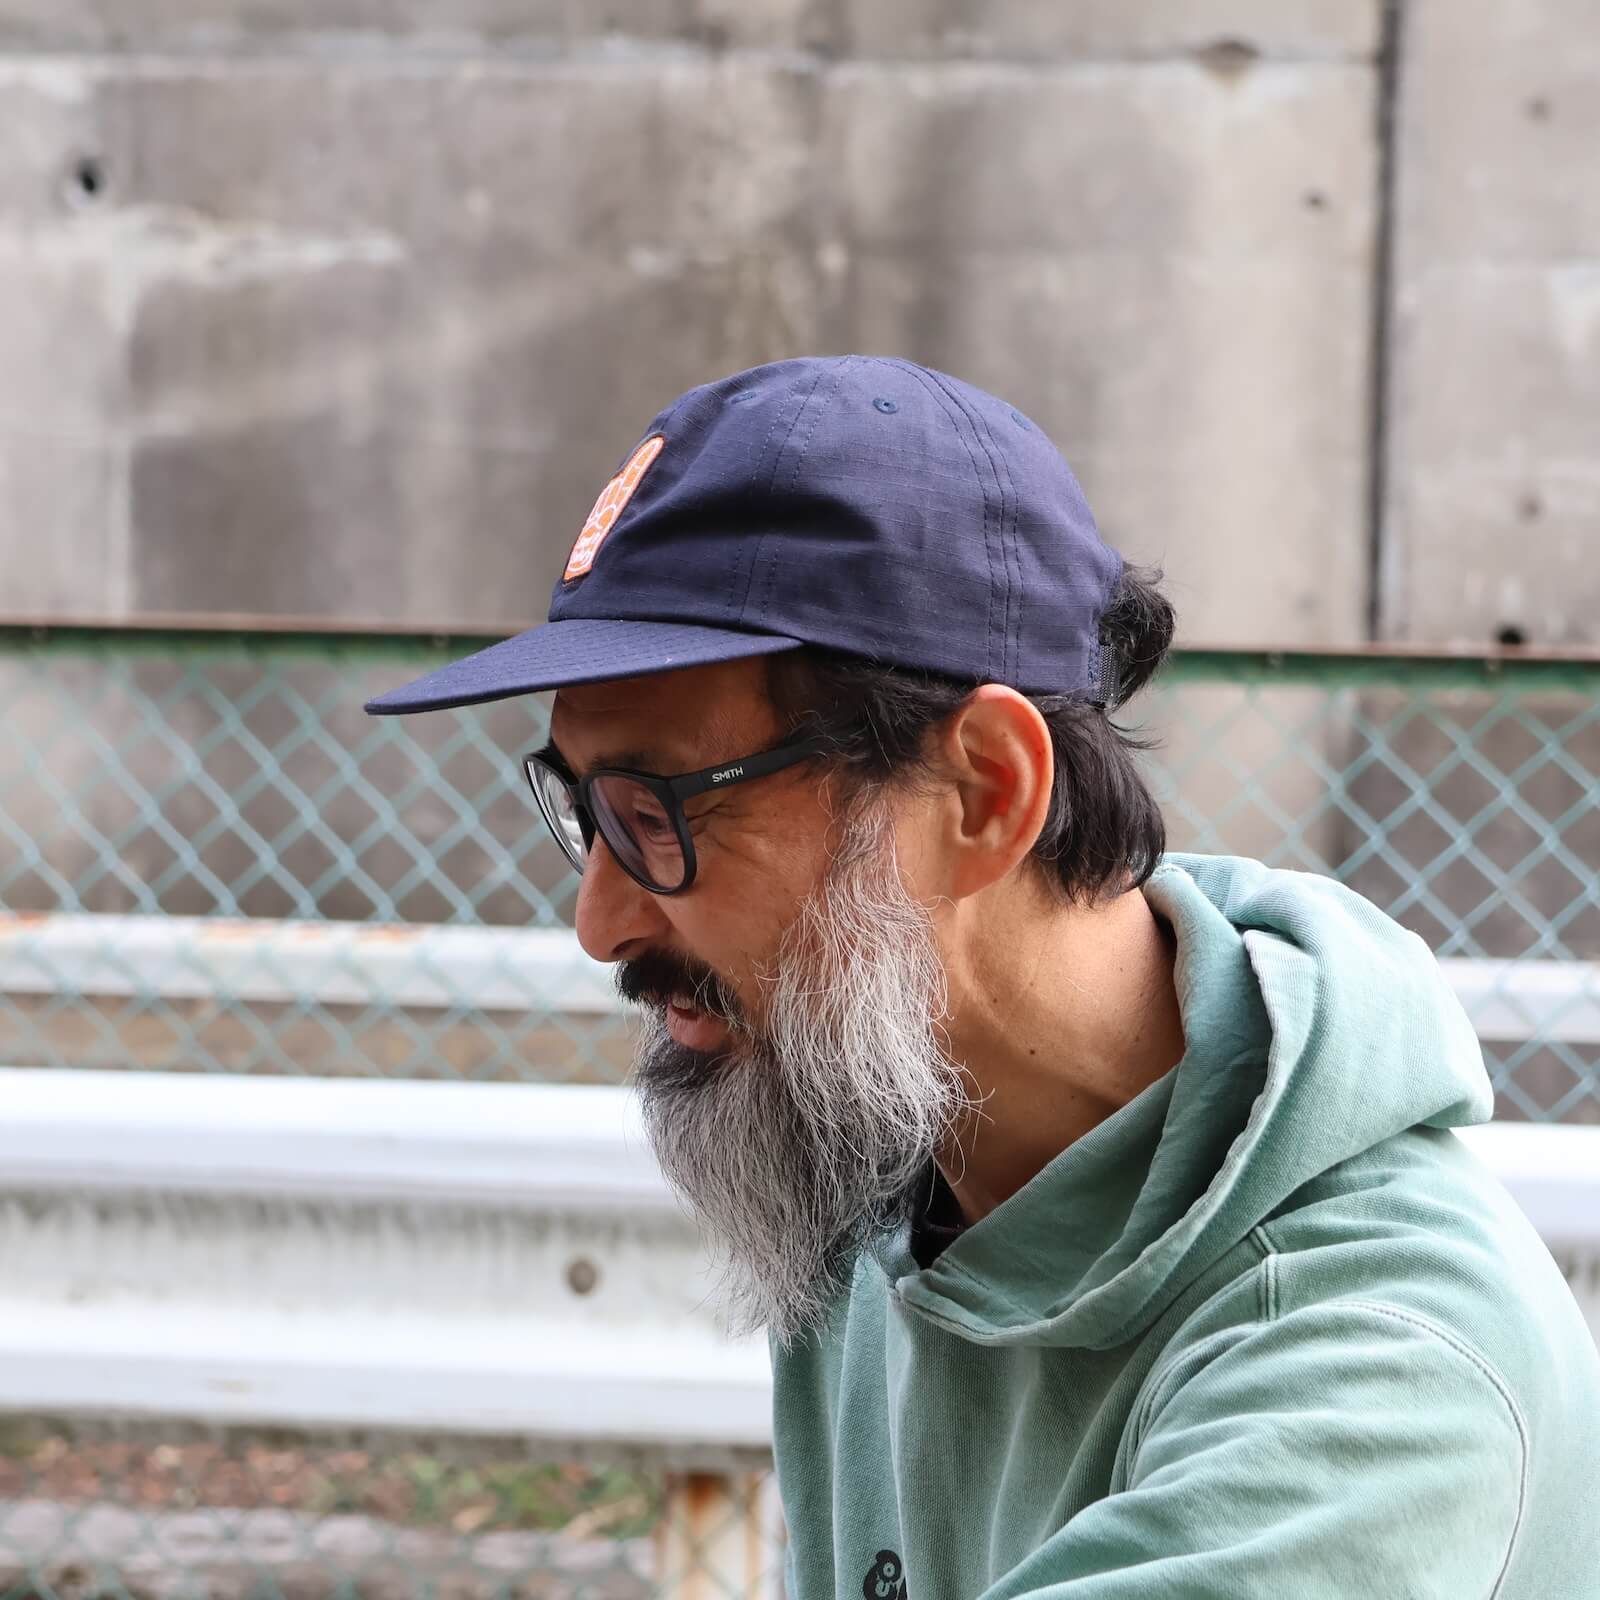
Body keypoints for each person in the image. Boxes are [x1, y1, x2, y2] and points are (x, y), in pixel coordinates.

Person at [366, 356, 1600, 1598]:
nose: (599, 921)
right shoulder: (877, 1176)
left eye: (657, 813)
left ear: (985, 792)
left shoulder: (1372, 1370)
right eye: (588, 812)